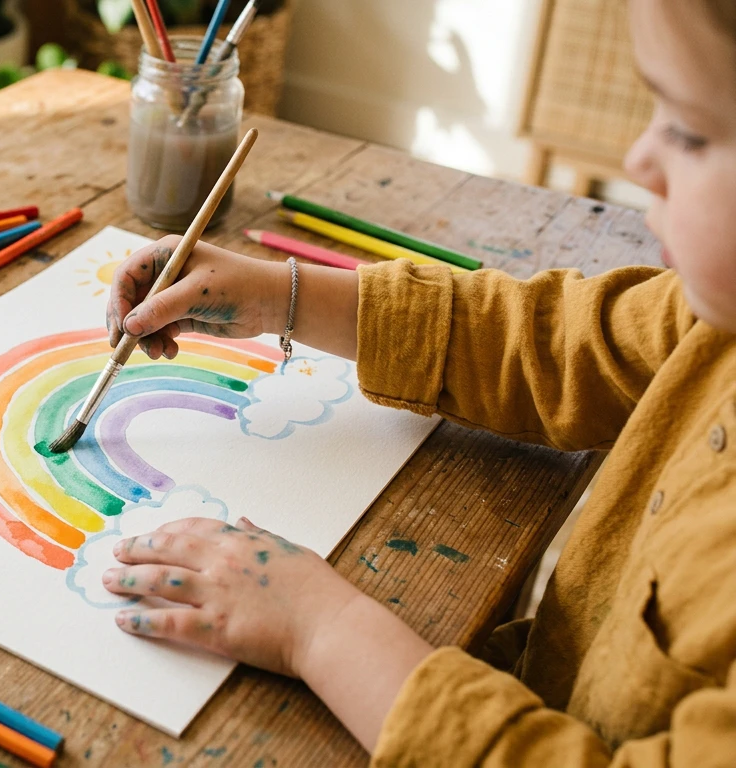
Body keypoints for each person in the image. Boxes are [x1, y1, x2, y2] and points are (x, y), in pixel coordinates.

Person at [100, 0, 736, 761]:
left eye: (690, 131)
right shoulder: (715, 321)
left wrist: (322, 628)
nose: (638, 160)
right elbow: (559, 344)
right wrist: (282, 295)